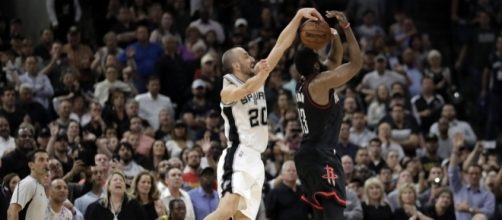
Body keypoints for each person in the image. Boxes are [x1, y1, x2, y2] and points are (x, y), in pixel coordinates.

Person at [204, 8, 324, 220]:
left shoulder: (258, 77)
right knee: (226, 209)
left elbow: (281, 44)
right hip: (238, 154)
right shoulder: (227, 88)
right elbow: (245, 90)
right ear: (236, 64)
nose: (252, 58)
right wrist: (264, 72)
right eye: (246, 55)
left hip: (256, 159)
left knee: (244, 218)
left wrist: (297, 16)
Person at [293, 10, 362, 220]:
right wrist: (347, 29)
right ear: (316, 65)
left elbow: (334, 59)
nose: (322, 56)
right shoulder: (320, 83)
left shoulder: (305, 83)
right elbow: (355, 64)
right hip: (321, 155)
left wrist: (333, 34)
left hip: (307, 156)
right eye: (318, 56)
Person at [7, 149, 50, 220]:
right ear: (31, 165)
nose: (46, 163)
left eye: (47, 160)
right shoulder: (28, 183)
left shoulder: (40, 186)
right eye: (41, 160)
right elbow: (12, 211)